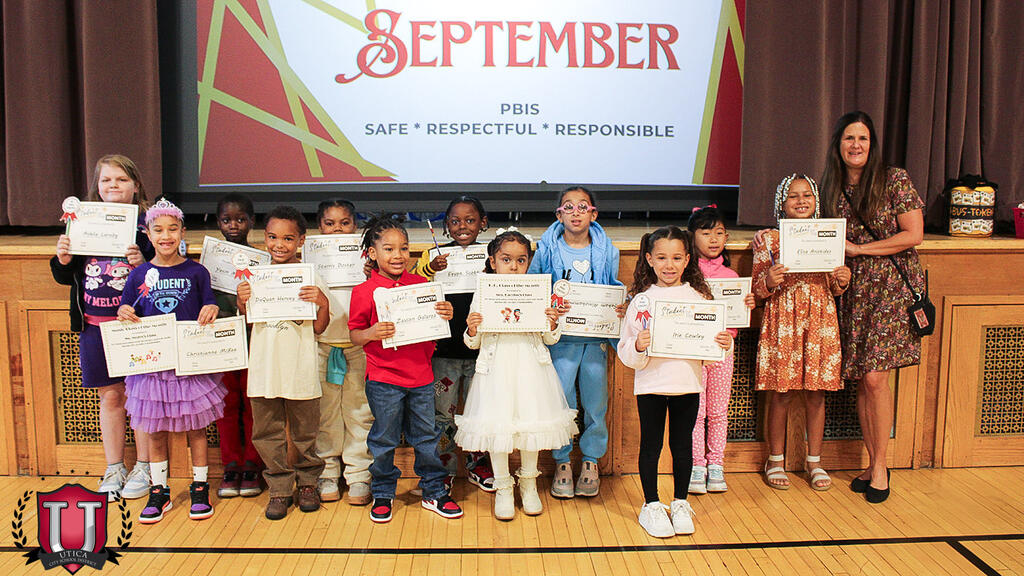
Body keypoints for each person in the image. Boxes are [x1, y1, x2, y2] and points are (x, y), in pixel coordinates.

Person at [820, 111, 925, 504]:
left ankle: (880, 466)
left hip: (891, 289)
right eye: (849, 138)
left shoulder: (893, 179)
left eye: (863, 138)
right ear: (838, 144)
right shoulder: (830, 187)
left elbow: (913, 234)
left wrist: (861, 249)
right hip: (854, 290)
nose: (856, 145)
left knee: (877, 380)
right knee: (864, 380)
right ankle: (872, 461)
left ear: (872, 144)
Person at [617, 226, 733, 538]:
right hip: (651, 386)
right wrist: (638, 345)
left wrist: (724, 344)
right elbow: (625, 349)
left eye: (677, 258)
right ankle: (652, 504)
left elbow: (713, 351)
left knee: (682, 446)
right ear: (649, 259)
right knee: (651, 445)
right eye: (662, 257)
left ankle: (680, 502)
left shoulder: (699, 298)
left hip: (687, 385)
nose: (669, 265)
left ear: (687, 260)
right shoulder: (641, 301)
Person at [455, 228, 578, 520]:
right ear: (493, 261)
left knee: (530, 425)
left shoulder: (537, 292)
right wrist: (472, 328)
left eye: (521, 260)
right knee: (498, 427)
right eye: (506, 259)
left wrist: (552, 323)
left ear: (528, 262)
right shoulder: (484, 293)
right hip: (495, 369)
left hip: (530, 368)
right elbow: (473, 342)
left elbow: (550, 339)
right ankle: (503, 487)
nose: (513, 266)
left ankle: (529, 484)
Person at [50, 154, 153, 501]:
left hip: (135, 327)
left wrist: (143, 262)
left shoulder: (147, 227)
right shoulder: (83, 222)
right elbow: (66, 276)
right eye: (106, 180)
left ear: (135, 185)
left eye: (121, 180)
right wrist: (63, 259)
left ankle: (145, 466)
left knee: (139, 397)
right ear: (97, 185)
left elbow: (162, 272)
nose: (113, 186)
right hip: (94, 327)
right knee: (110, 396)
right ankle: (114, 467)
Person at [116, 199, 226, 523]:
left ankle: (200, 487)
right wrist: (124, 311)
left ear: (182, 232)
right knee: (154, 432)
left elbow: (209, 303)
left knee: (196, 429)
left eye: (173, 229)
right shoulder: (139, 274)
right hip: (152, 367)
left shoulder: (196, 272)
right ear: (148, 235)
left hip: (189, 365)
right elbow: (126, 308)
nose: (166, 236)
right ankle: (159, 490)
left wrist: (212, 308)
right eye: (159, 230)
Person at [348, 214, 463, 523]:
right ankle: (383, 491)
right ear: (372, 253)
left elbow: (436, 323)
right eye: (388, 249)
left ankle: (434, 490)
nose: (397, 255)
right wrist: (371, 333)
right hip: (383, 380)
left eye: (403, 248)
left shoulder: (422, 285)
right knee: (384, 440)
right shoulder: (363, 292)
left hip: (422, 377)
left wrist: (446, 312)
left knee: (426, 437)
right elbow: (355, 334)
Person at [753, 175, 851, 492]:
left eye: (807, 195)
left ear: (816, 201)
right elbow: (756, 290)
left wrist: (842, 279)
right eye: (793, 196)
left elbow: (834, 287)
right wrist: (768, 280)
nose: (800, 201)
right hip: (783, 319)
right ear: (782, 203)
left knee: (816, 393)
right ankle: (775, 460)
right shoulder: (769, 240)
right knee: (780, 393)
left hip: (819, 318)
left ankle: (814, 462)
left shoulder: (828, 235)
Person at [528, 186, 626, 498]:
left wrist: (619, 307)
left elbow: (612, 288)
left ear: (593, 214)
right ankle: (562, 462)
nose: (575, 212)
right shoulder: (546, 250)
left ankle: (590, 461)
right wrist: (548, 307)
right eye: (568, 207)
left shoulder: (608, 251)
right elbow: (532, 287)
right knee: (563, 402)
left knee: (596, 403)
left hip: (595, 340)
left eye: (582, 206)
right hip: (560, 341)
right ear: (558, 215)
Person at [237, 206, 331, 520]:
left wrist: (322, 302)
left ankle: (308, 483)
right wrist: (242, 299)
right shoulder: (255, 277)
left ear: (301, 240)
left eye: (288, 238)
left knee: (305, 432)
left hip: (301, 369)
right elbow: (247, 319)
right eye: (273, 237)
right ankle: (279, 488)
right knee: (267, 432)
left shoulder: (310, 277)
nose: (279, 244)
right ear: (264, 238)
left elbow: (320, 327)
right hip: (264, 369)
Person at [411, 195, 495, 493]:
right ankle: (443, 469)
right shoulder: (432, 256)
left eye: (470, 220)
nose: (463, 226)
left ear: (482, 223)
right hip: (443, 352)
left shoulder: (491, 256)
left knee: (478, 412)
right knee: (441, 416)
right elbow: (413, 287)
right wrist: (431, 268)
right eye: (455, 221)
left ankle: (478, 465)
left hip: (481, 350)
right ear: (446, 226)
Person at [685, 206, 755, 494]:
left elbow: (734, 318)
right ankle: (696, 465)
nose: (713, 239)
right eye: (706, 233)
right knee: (695, 411)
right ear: (692, 236)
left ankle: (716, 464)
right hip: (693, 353)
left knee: (718, 411)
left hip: (722, 351)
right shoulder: (685, 274)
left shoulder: (731, 275)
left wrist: (745, 306)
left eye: (719, 233)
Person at [313, 199, 374, 506]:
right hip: (322, 344)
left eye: (345, 223)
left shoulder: (368, 262)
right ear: (319, 227)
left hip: (359, 347)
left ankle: (359, 472)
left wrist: (371, 274)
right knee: (325, 413)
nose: (337, 229)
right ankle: (327, 470)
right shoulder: (309, 260)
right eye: (330, 223)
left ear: (355, 227)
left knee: (359, 412)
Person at [210, 193, 263, 499]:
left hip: (254, 342)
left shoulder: (262, 261)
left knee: (253, 404)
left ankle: (253, 464)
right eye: (227, 220)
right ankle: (231, 464)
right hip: (222, 344)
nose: (233, 225)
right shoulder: (209, 262)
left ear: (251, 222)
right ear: (218, 222)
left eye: (241, 219)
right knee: (227, 405)